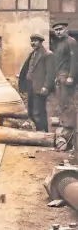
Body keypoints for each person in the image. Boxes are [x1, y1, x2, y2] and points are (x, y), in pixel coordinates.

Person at [18, 33, 55, 132]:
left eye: (35, 41)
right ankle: (39, 130)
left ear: (41, 42)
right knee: (31, 111)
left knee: (38, 111)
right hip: (31, 86)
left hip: (40, 87)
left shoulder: (48, 54)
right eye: (32, 41)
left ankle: (43, 131)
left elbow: (50, 73)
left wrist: (46, 87)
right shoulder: (32, 54)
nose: (33, 43)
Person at [51, 22, 78, 155]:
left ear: (66, 29)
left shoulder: (71, 42)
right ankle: (65, 133)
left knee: (69, 105)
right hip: (60, 77)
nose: (58, 32)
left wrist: (71, 76)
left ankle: (69, 134)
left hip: (67, 77)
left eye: (60, 29)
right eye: (56, 30)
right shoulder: (59, 44)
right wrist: (56, 76)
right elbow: (58, 62)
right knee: (62, 104)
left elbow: (75, 61)